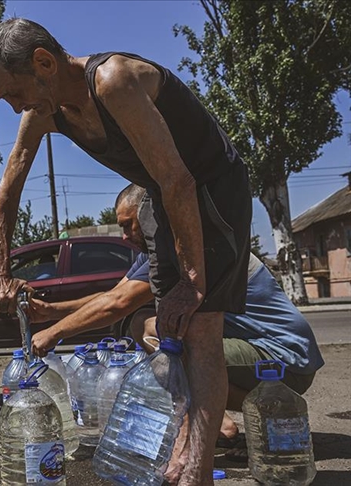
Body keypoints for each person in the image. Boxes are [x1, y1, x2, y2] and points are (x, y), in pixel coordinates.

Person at [0, 18, 252, 484]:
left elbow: (178, 179)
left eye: (15, 94)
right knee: (170, 330)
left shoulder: (113, 80)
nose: (16, 107)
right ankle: (181, 454)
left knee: (200, 328)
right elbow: (8, 189)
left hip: (210, 191)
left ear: (44, 62)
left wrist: (192, 282)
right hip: (162, 199)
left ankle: (197, 473)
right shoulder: (43, 111)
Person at [30, 183, 324, 469]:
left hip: (283, 359)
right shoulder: (157, 253)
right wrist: (52, 312)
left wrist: (55, 332)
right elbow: (112, 295)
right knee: (142, 325)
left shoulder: (185, 248)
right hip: (264, 354)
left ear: (152, 216)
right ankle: (216, 417)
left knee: (162, 342)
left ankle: (246, 416)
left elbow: (117, 303)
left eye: (129, 225)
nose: (124, 235)